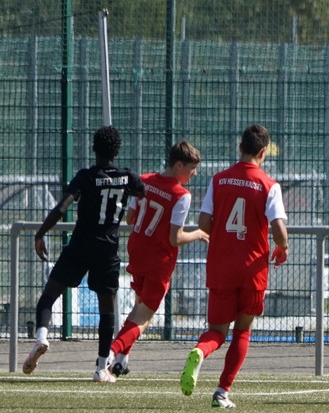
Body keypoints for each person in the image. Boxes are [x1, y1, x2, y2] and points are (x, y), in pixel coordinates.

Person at [22, 126, 145, 381]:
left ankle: (42, 336)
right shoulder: (127, 177)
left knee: (49, 295)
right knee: (107, 310)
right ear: (117, 150)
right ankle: (101, 367)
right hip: (107, 250)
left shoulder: (85, 177)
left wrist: (40, 234)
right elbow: (143, 191)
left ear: (93, 148)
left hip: (80, 246)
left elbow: (61, 208)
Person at [179, 124, 289, 409]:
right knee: (242, 331)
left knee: (216, 331)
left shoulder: (218, 180)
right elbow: (279, 230)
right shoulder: (269, 185)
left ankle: (200, 350)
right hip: (252, 269)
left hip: (221, 267)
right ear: (263, 152)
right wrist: (283, 246)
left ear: (240, 148)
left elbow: (204, 224)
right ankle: (221, 392)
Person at [107, 140, 210, 377]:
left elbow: (130, 219)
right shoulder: (181, 195)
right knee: (144, 317)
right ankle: (110, 354)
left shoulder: (143, 180)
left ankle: (121, 360)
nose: (194, 174)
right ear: (179, 165)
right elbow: (176, 238)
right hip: (158, 260)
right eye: (192, 168)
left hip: (137, 250)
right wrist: (198, 234)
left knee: (138, 307)